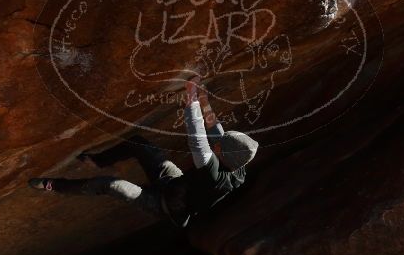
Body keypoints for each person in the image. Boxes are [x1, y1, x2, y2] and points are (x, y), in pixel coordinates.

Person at [28, 77, 258, 228]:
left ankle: (53, 185)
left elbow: (198, 140)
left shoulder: (215, 177)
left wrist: (191, 99)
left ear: (222, 155)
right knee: (139, 143)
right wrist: (204, 97)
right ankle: (98, 160)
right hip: (173, 181)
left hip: (163, 205)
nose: (217, 143)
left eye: (219, 146)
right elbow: (215, 129)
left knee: (110, 185)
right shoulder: (236, 160)